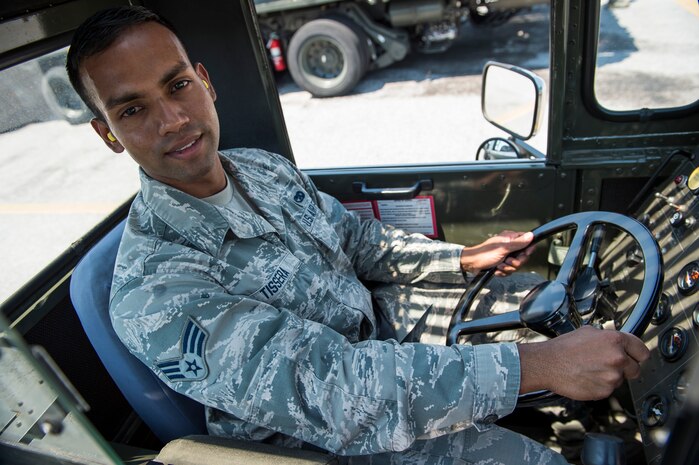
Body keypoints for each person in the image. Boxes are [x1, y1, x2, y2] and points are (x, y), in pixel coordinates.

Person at [66, 6, 650, 464]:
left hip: (382, 331)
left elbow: (356, 240)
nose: (173, 120)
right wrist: (537, 366)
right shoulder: (154, 291)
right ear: (108, 134)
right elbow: (337, 394)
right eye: (133, 111)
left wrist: (461, 259)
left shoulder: (261, 170)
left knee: (548, 299)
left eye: (176, 86)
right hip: (321, 440)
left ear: (205, 81)